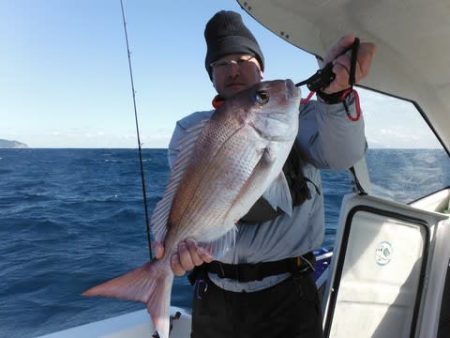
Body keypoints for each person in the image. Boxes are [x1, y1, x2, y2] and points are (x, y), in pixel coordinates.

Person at [155, 10, 376, 338]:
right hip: (213, 296)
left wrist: (335, 96)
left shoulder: (301, 116)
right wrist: (176, 251)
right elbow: (195, 202)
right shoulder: (190, 130)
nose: (232, 70)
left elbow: (344, 154)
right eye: (220, 63)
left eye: (243, 58)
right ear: (211, 76)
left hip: (288, 296)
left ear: (260, 65)